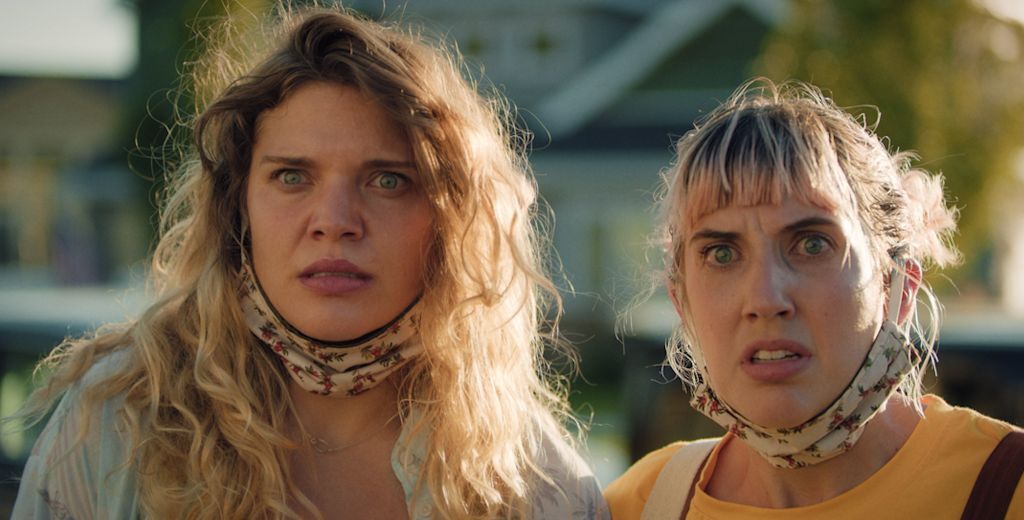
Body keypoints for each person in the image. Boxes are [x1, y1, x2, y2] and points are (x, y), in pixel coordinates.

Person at [11, 6, 608, 519]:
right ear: (238, 206)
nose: (334, 220)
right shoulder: (119, 424)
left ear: (450, 221)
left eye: (388, 180)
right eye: (292, 177)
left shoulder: (535, 481)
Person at [605, 79, 1023, 519]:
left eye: (811, 245)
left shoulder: (1007, 487)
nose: (765, 299)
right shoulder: (642, 505)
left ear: (897, 286)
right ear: (682, 302)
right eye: (721, 253)